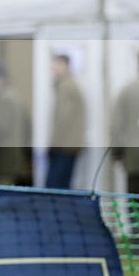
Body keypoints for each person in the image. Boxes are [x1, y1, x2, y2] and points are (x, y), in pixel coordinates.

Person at [111, 51, 139, 197]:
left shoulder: (127, 90)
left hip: (135, 156)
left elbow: (116, 126)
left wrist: (116, 152)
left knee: (135, 206)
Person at [0, 61, 29, 185]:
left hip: (2, 161)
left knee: (1, 195)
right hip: (11, 158)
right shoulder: (15, 96)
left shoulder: (4, 99)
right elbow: (27, 127)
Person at [45, 54, 86, 189]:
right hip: (69, 145)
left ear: (65, 66)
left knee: (55, 186)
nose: (53, 69)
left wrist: (53, 146)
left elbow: (63, 119)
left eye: (56, 65)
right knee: (64, 184)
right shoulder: (69, 85)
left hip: (64, 146)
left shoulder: (65, 86)